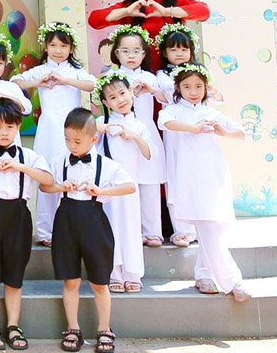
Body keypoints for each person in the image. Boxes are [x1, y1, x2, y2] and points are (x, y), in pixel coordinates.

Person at [41, 108, 135, 353]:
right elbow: (44, 187)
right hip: (66, 223)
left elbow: (129, 186)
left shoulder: (106, 165)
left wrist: (101, 191)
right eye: (67, 140)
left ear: (93, 139)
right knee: (70, 280)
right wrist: (60, 186)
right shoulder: (59, 161)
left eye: (77, 141)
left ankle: (104, 328)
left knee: (100, 282)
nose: (71, 146)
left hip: (95, 223)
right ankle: (73, 328)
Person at [158, 63, 251, 303]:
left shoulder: (212, 113)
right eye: (187, 86)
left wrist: (223, 132)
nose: (193, 91)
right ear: (178, 88)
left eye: (199, 86)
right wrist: (194, 128)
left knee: (215, 227)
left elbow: (240, 132)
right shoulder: (173, 110)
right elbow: (164, 123)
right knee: (208, 227)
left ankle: (203, 275)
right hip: (190, 176)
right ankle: (232, 281)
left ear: (206, 87)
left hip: (215, 173)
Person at [0, 98, 52, 352]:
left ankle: (13, 326)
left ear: (18, 126)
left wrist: (22, 167)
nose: (4, 132)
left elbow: (48, 180)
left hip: (18, 215)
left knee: (14, 276)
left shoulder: (29, 156)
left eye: (9, 126)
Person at [12, 23, 95, 246]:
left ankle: (72, 231)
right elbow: (15, 82)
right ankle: (45, 231)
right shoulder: (41, 70)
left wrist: (65, 80)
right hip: (48, 129)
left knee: (73, 175)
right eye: (53, 45)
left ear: (71, 48)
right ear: (46, 47)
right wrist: (37, 82)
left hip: (73, 128)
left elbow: (92, 84)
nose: (58, 50)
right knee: (48, 175)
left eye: (63, 46)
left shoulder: (76, 71)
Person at [93, 71, 156, 294]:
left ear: (131, 92)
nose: (120, 100)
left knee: (130, 228)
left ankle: (132, 274)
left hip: (130, 186)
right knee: (110, 228)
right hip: (107, 187)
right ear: (105, 103)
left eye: (122, 93)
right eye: (112, 97)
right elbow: (86, 141)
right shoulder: (101, 123)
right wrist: (97, 128)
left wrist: (135, 137)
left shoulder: (139, 125)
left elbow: (149, 154)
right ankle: (114, 273)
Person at [105, 27, 167, 248]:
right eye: (125, 51)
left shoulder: (150, 77)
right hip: (121, 135)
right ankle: (132, 231)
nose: (131, 56)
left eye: (136, 51)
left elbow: (167, 98)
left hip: (146, 133)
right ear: (116, 53)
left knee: (150, 182)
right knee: (126, 182)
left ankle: (153, 232)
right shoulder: (111, 77)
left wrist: (152, 90)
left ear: (144, 53)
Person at [153, 25, 209, 247]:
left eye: (184, 49)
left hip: (200, 132)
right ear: (164, 52)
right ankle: (182, 230)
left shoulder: (199, 73)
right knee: (176, 177)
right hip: (176, 133)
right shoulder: (162, 75)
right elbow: (170, 91)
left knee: (200, 177)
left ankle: (202, 226)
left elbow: (214, 95)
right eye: (173, 49)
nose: (179, 54)